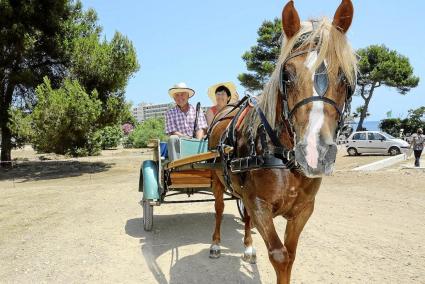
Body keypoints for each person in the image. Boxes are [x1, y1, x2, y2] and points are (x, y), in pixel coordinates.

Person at [165, 82, 208, 161]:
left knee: (206, 138)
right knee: (172, 138)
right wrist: (187, 139)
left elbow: (200, 128)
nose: (180, 97)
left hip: (195, 143)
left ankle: (200, 161)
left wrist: (195, 143)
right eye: (177, 95)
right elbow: (173, 132)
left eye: (182, 94)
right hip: (179, 146)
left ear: (188, 96)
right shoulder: (170, 113)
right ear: (174, 98)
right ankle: (175, 166)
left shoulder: (197, 110)